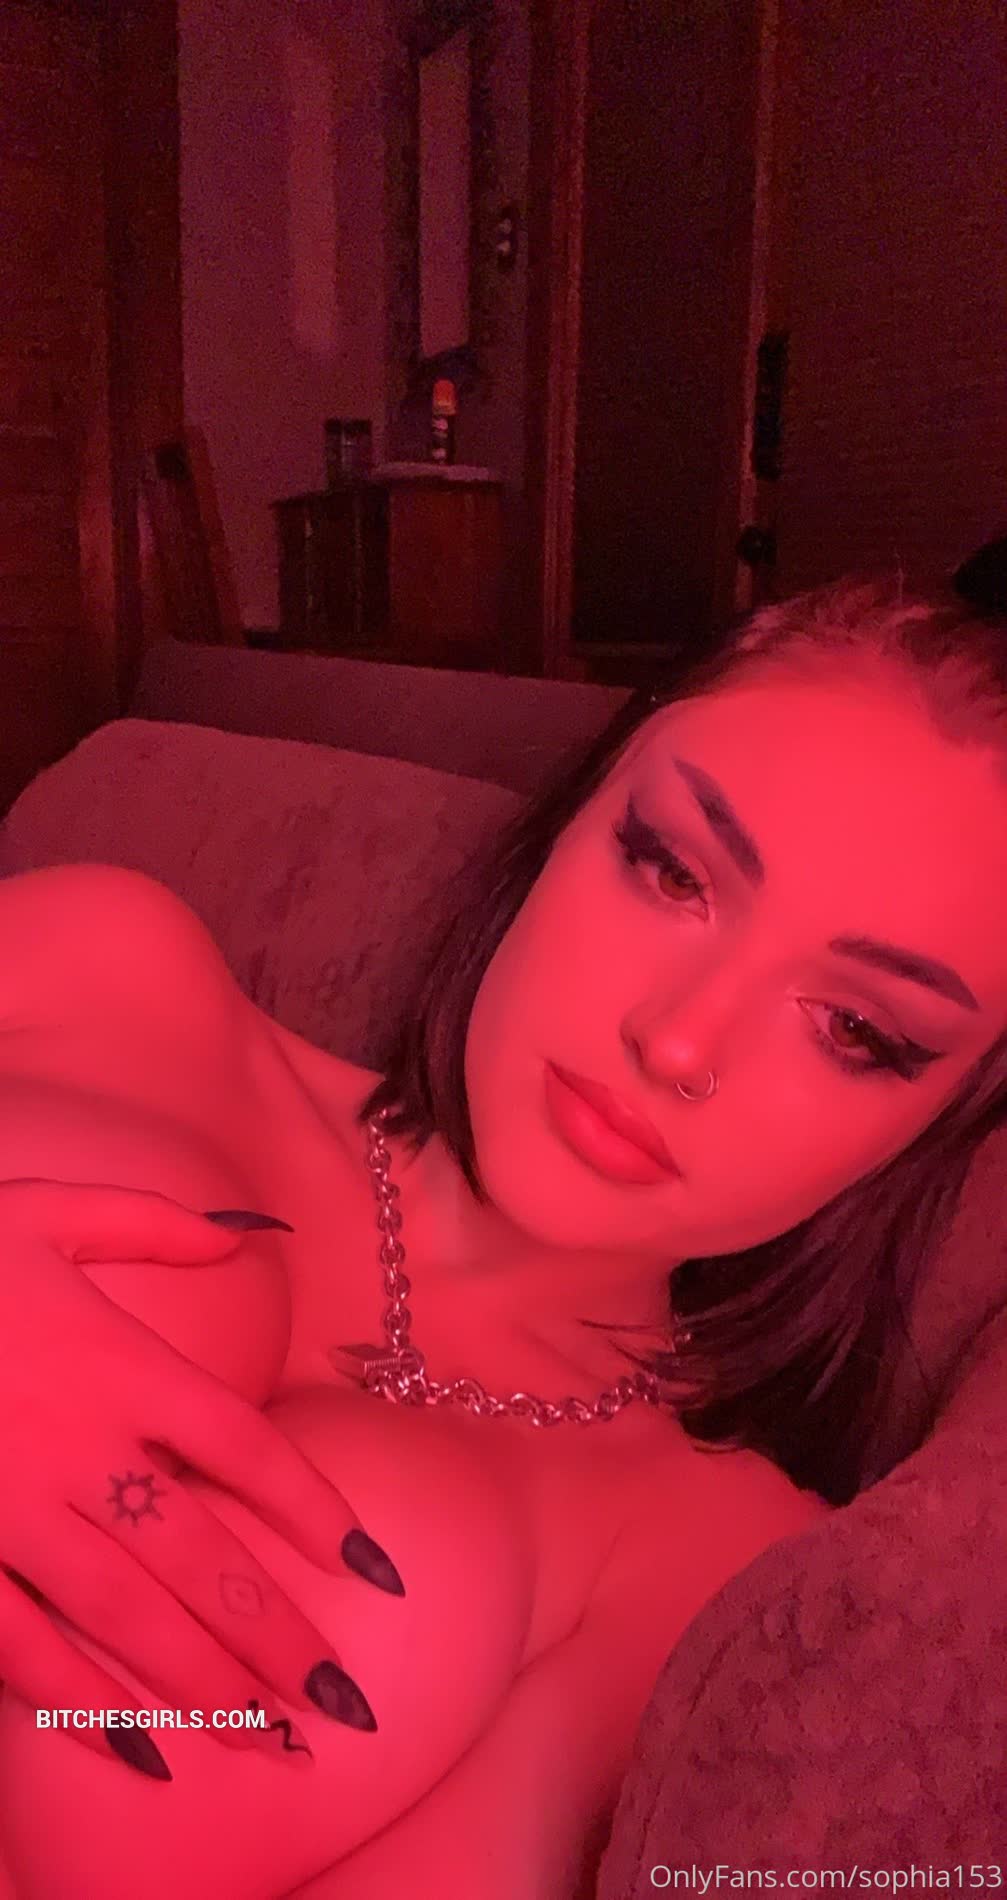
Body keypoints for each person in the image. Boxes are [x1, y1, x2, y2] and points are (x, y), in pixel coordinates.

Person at [0, 568, 1004, 1898]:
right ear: (578, 815)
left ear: (944, 1119)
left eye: (856, 1029)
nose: (679, 1039)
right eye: (673, 871)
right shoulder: (112, 967)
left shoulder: (727, 1576)